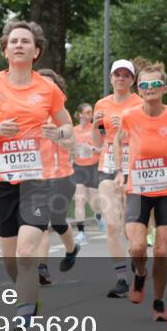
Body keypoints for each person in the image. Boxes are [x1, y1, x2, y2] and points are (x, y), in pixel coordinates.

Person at [0, 20, 73, 331]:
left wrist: (59, 134)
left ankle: (22, 321)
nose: (18, 46)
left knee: (28, 252)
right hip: (0, 180)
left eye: (25, 42)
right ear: (5, 50)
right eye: (13, 41)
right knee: (11, 258)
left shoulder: (47, 89)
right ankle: (27, 297)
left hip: (36, 179)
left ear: (36, 51)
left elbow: (67, 126)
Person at [114, 62, 167, 321]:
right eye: (144, 85)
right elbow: (117, 140)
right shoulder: (130, 116)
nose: (149, 89)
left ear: (164, 88)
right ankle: (140, 274)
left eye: (155, 84)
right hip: (138, 187)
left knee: (161, 251)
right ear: (139, 88)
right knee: (137, 247)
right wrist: (119, 170)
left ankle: (159, 302)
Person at [91, 59, 143, 298]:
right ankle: (122, 278)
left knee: (130, 228)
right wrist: (95, 125)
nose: (121, 78)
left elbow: (147, 138)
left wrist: (124, 127)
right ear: (111, 78)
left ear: (133, 80)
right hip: (108, 165)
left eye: (126, 75)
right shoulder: (101, 104)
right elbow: (97, 143)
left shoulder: (140, 104)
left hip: (133, 165)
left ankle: (137, 258)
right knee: (112, 223)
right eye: (117, 74)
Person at [34, 69, 81, 285]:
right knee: (42, 222)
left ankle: (72, 249)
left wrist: (56, 135)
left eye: (51, 85)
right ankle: (41, 268)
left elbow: (72, 145)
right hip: (38, 177)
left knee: (58, 221)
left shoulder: (62, 116)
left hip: (63, 176)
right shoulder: (30, 114)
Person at [72, 102, 102, 245]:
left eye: (92, 112)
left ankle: (99, 215)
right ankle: (81, 233)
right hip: (79, 167)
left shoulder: (96, 129)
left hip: (94, 166)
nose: (91, 115)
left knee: (94, 201)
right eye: (88, 112)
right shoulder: (73, 130)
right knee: (80, 199)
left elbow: (105, 148)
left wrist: (95, 149)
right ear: (80, 115)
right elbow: (68, 149)